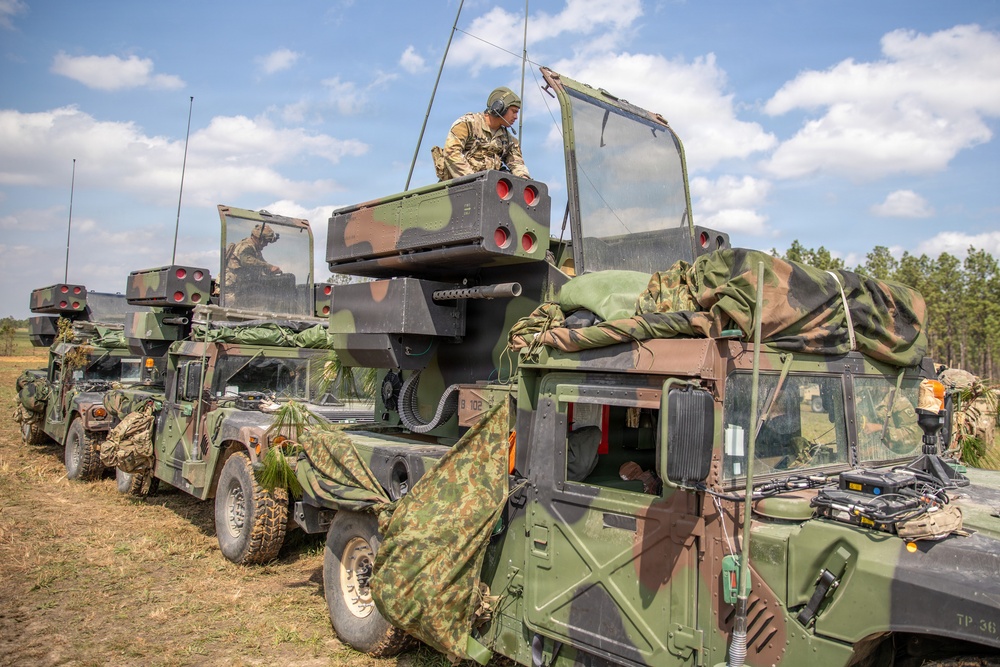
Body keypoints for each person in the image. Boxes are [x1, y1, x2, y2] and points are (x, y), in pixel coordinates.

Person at [432, 86, 530, 181]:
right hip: (459, 186)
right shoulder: (467, 124)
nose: (516, 117)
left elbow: (516, 163)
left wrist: (524, 180)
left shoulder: (508, 139)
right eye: (513, 111)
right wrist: (473, 181)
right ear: (499, 108)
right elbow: (452, 153)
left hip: (487, 188)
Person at [223, 223, 281, 305]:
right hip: (230, 288)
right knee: (231, 307)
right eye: (266, 241)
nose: (266, 244)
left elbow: (262, 265)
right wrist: (269, 267)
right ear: (259, 239)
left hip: (241, 287)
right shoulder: (246, 246)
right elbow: (246, 261)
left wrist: (271, 271)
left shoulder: (255, 250)